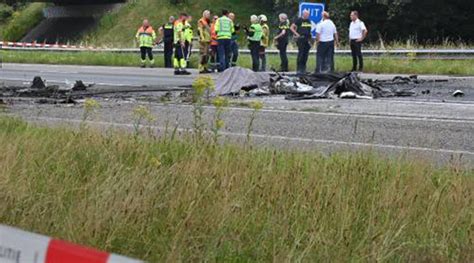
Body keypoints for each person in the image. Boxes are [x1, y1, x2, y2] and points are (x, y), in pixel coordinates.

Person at [290, 10, 312, 75]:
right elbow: (291, 27)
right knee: (301, 53)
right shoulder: (299, 20)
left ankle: (304, 69)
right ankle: (299, 69)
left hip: (307, 39)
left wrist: (310, 40)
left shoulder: (308, 21)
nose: (308, 15)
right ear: (304, 14)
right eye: (307, 14)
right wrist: (297, 34)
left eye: (308, 14)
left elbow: (309, 30)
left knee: (306, 54)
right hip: (301, 38)